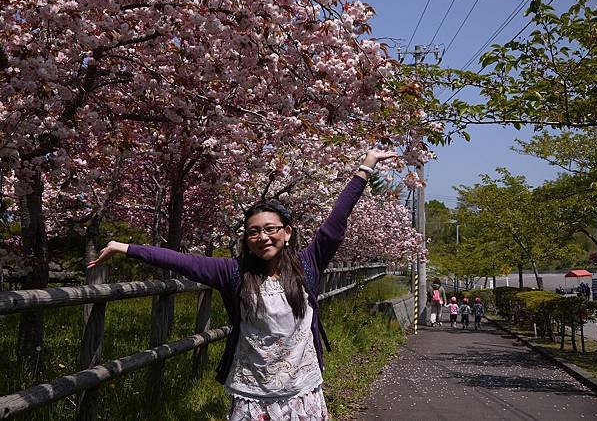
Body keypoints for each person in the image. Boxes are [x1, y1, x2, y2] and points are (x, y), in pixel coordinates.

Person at [87, 149, 398, 421]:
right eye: (253, 232)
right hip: (252, 391)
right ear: (246, 239)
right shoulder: (232, 271)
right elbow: (180, 260)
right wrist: (124, 247)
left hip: (302, 389)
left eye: (270, 229)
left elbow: (335, 224)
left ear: (287, 232)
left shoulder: (307, 265)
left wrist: (365, 168)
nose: (262, 237)